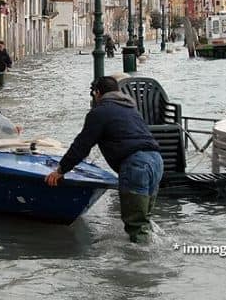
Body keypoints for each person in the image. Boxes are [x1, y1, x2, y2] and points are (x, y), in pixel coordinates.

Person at [45, 76, 163, 243]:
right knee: (145, 222)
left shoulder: (99, 112)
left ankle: (140, 266)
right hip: (156, 162)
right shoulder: (130, 109)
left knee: (137, 228)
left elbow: (82, 145)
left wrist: (60, 170)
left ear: (97, 93)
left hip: (136, 165)